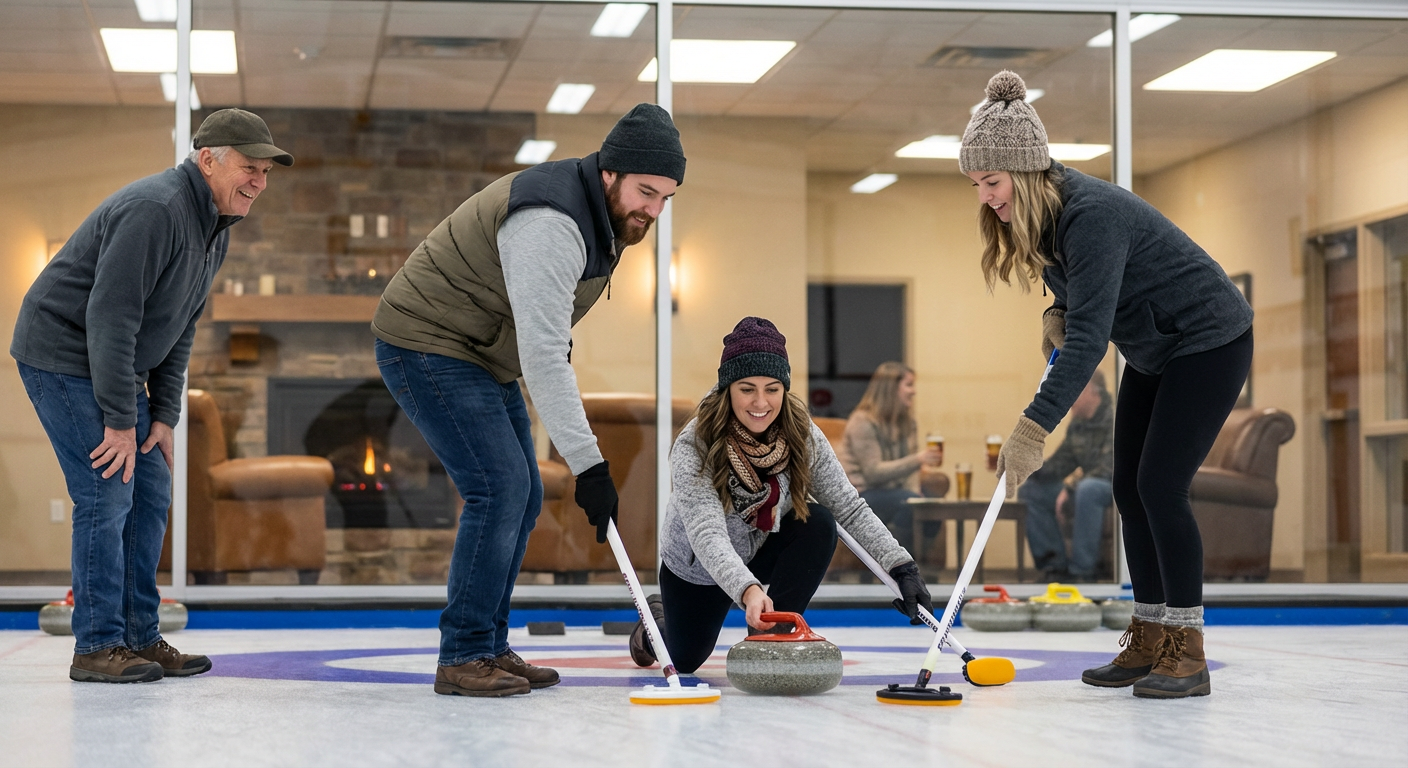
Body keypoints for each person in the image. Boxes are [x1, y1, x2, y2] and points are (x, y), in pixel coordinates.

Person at [371, 104, 686, 698]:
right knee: (500, 487)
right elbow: (546, 354)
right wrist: (590, 466)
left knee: (524, 491)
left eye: (666, 198)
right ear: (610, 174)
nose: (654, 210)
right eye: (647, 192)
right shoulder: (552, 220)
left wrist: (579, 463)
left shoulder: (605, 217)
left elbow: (542, 341)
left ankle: (488, 644)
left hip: (481, 352)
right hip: (428, 342)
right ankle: (463, 654)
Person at [961, 71, 1253, 699]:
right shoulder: (1048, 219)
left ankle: (1187, 647)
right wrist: (1055, 313)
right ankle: (1147, 634)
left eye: (991, 182)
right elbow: (1082, 302)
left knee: (1160, 486)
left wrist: (1033, 427)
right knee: (1127, 485)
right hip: (1156, 351)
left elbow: (1092, 343)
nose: (985, 198)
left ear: (1027, 171)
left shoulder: (1091, 215)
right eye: (977, 185)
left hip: (1210, 340)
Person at [11, 109, 293, 684]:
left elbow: (177, 325)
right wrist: (120, 421)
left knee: (153, 488)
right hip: (61, 354)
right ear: (207, 159)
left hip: (111, 361)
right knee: (106, 489)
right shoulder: (156, 209)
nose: (258, 182)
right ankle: (96, 646)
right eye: (248, 167)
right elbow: (111, 319)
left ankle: (140, 635)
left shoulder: (214, 226)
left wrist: (162, 416)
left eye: (265, 171)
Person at [628, 318, 933, 674]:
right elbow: (707, 533)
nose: (761, 402)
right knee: (684, 659)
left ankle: (772, 637)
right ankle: (654, 623)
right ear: (727, 388)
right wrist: (748, 590)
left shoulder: (801, 433)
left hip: (760, 545)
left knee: (819, 522)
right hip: (702, 565)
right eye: (747, 389)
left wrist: (901, 566)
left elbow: (848, 507)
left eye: (772, 389)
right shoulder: (696, 443)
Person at [1019, 370, 1113, 583]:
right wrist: (1025, 467)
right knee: (1031, 491)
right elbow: (1060, 463)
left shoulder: (1115, 418)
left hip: (1114, 488)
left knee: (1088, 489)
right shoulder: (1078, 424)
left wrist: (1070, 487)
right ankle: (1055, 567)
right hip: (1085, 485)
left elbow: (1109, 468)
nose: (1068, 396)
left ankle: (1083, 571)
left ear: (1089, 390)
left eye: (1074, 389)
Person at [838, 361, 942, 551]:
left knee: (932, 506)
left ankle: (919, 564)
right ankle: (898, 566)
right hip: (863, 493)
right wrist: (918, 460)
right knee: (908, 505)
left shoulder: (907, 423)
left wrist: (915, 491)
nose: (914, 391)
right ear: (891, 389)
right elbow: (873, 472)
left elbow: (911, 471)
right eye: (909, 385)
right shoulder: (862, 421)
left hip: (894, 491)